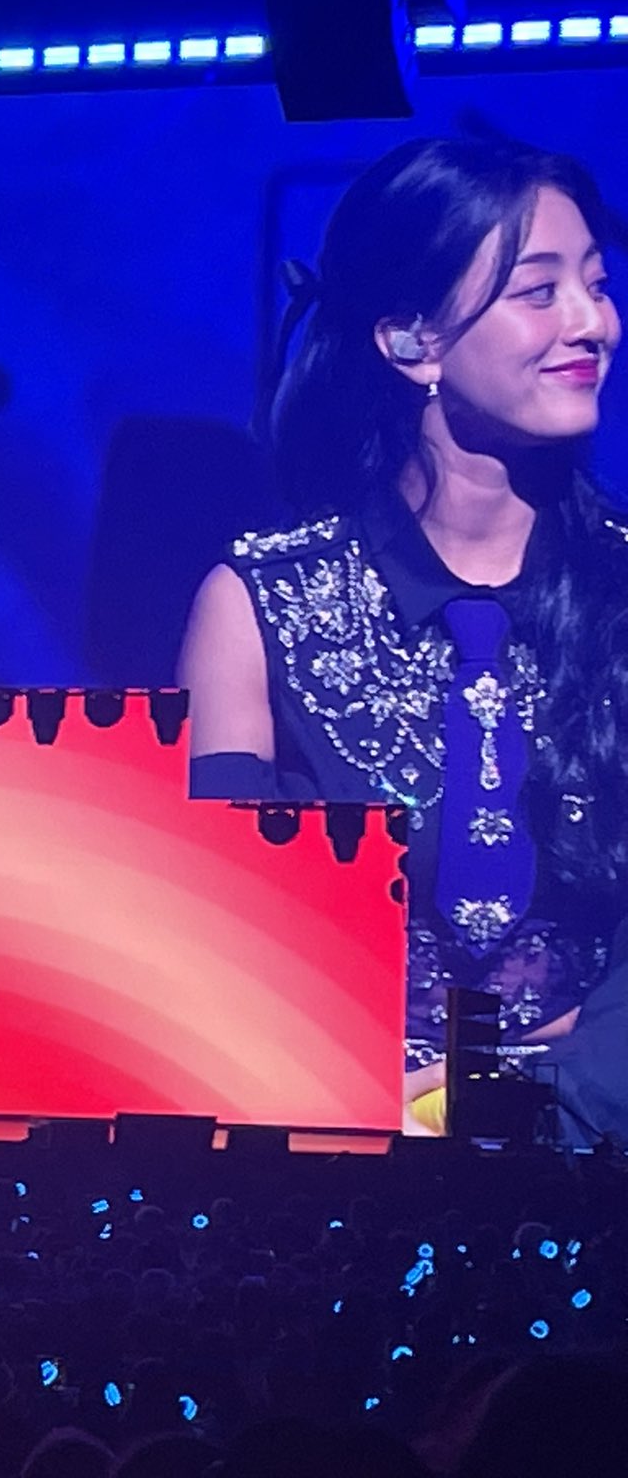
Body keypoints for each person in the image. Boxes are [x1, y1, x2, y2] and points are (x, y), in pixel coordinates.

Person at [178, 137, 628, 1139]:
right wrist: (377, 1097)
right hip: (339, 1143)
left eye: (598, 286)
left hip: (598, 1150)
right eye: (539, 291)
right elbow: (221, 938)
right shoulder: (260, 604)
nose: (591, 323)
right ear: (412, 342)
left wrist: (515, 1094)